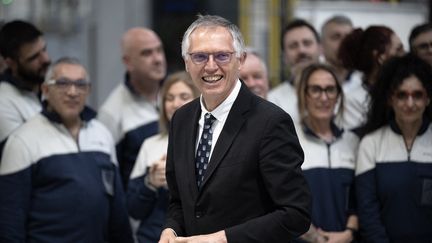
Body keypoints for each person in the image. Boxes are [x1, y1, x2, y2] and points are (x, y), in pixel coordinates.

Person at [159, 14, 311, 243]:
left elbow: (296, 214)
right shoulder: (181, 119)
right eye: (200, 56)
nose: (211, 66)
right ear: (186, 63)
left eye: (222, 55)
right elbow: (179, 201)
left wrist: (222, 239)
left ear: (240, 60)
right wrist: (171, 229)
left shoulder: (270, 122)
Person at [0, 57, 133, 242]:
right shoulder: (22, 141)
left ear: (88, 91)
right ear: (45, 90)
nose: (72, 92)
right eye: (62, 83)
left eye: (80, 85)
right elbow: (10, 224)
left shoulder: (102, 134)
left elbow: (118, 214)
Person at [355, 53, 432, 242]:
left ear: (428, 99)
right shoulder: (371, 143)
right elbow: (367, 211)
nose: (410, 103)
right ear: (390, 99)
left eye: (418, 95)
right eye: (402, 95)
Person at [127, 71, 200, 243]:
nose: (175, 104)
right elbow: (132, 209)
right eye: (169, 98)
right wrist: (150, 183)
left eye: (184, 96)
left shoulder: (210, 142)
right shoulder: (150, 145)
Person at [295, 63, 359, 243]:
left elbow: (361, 200)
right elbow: (282, 202)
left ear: (338, 95)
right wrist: (316, 238)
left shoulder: (352, 142)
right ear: (304, 95)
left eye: (330, 90)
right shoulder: (289, 139)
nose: (324, 97)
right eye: (316, 90)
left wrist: (348, 234)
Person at [98, 27, 167, 188]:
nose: (157, 59)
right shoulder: (111, 113)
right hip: (141, 207)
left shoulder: (179, 93)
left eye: (159, 50)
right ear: (128, 62)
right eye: (147, 53)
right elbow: (108, 178)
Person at [338, 25, 405, 131]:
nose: (405, 55)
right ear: (380, 57)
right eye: (399, 50)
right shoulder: (352, 100)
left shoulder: (407, 92)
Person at [0, 20, 51, 156]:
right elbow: (25, 156)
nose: (46, 59)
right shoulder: (4, 101)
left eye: (44, 50)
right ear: (10, 63)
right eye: (34, 57)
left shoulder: (47, 88)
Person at [268, 19, 321, 124]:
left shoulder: (339, 94)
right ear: (284, 57)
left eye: (307, 43)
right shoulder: (273, 101)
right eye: (293, 46)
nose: (302, 50)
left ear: (320, 48)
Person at [320, 15, 357, 88]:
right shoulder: (310, 81)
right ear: (321, 45)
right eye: (336, 37)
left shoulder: (365, 83)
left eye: (348, 37)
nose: (343, 43)